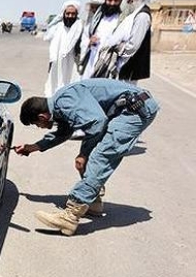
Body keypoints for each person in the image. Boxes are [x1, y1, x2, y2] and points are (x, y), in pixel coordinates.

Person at [13, 78, 159, 236]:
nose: (39, 127)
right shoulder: (61, 105)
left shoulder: (64, 101)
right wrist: (32, 147)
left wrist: (84, 153)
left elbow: (97, 121)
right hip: (130, 108)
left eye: (37, 124)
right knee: (86, 159)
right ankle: (94, 203)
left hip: (135, 110)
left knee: (101, 156)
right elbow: (63, 133)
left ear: (42, 117)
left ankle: (70, 215)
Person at [95, 0, 161, 83]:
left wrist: (116, 50)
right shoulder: (134, 13)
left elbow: (132, 47)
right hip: (121, 67)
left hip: (128, 68)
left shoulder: (142, 16)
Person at [79, 0, 124, 79]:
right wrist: (89, 42)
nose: (112, 3)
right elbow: (86, 37)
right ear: (105, 1)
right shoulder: (98, 18)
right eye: (109, 0)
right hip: (93, 57)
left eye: (116, 0)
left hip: (110, 60)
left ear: (120, 1)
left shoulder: (122, 19)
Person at [43, 0, 83, 96]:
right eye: (68, 13)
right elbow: (47, 37)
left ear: (77, 14)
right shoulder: (58, 27)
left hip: (73, 62)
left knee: (73, 83)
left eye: (73, 14)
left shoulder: (80, 27)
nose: (70, 16)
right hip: (57, 62)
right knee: (55, 85)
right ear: (63, 14)